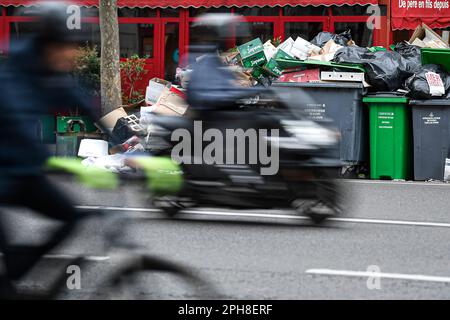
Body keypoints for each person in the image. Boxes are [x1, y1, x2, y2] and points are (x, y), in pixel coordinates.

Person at [0, 1, 102, 298]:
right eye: (66, 46)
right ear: (47, 45)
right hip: (7, 174)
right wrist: (54, 162)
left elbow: (88, 106)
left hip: (22, 174)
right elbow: (17, 124)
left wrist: (128, 142)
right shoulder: (13, 77)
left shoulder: (51, 75)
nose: (73, 54)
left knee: (72, 217)